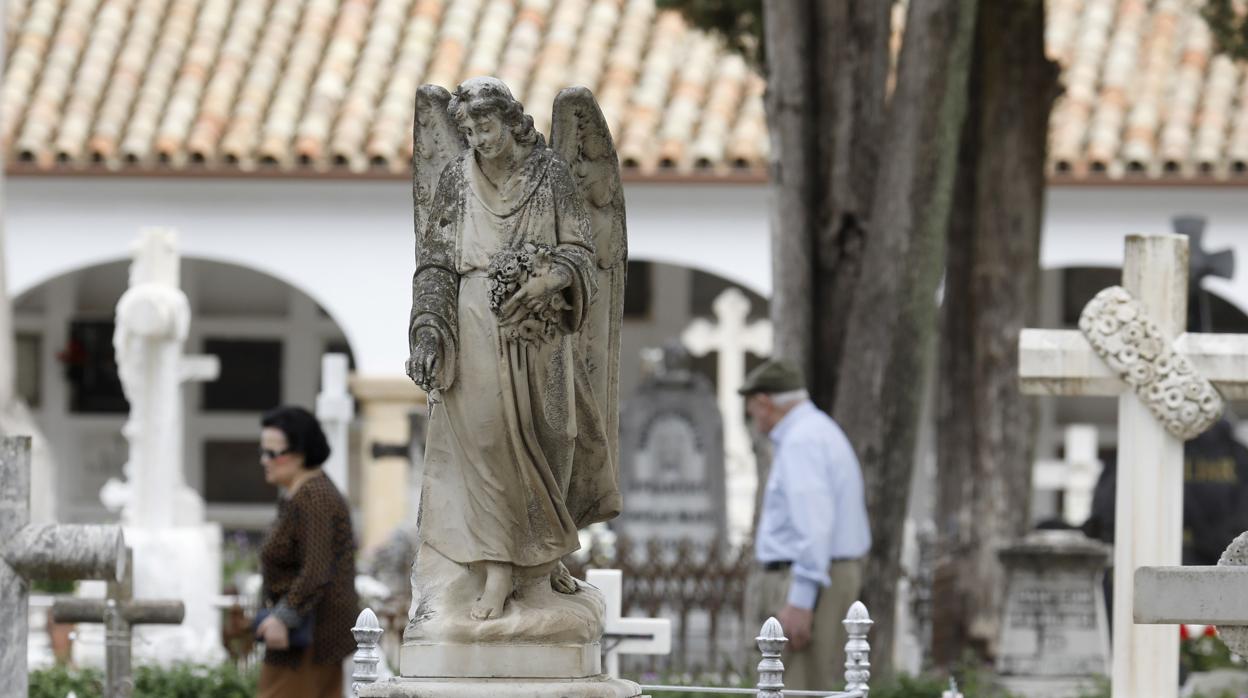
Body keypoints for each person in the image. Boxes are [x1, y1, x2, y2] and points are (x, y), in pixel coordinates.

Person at [406, 77, 620, 621]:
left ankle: (543, 561)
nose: (479, 138)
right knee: (487, 441)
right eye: (470, 129)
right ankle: (498, 570)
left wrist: (548, 281)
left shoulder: (550, 175)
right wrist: (429, 329)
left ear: (510, 119)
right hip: (475, 322)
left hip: (541, 327)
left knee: (555, 434)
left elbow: (581, 251)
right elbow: (434, 264)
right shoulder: (456, 179)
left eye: (486, 125)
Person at [741, 358, 871, 691]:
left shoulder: (802, 441)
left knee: (798, 685)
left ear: (764, 402)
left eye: (751, 408)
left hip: (810, 580)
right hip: (823, 575)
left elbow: (814, 526)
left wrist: (800, 601)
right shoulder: (816, 431)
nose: (751, 416)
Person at [255, 405, 358, 698]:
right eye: (262, 452)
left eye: (273, 453)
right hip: (300, 636)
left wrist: (282, 618)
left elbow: (316, 569)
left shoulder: (315, 496)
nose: (264, 461)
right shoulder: (301, 494)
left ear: (300, 452)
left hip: (308, 638)